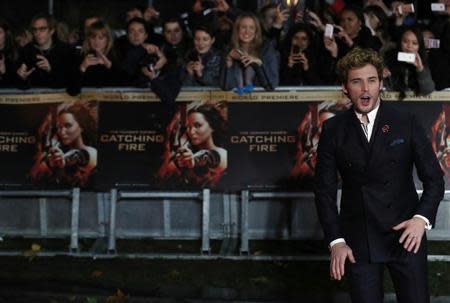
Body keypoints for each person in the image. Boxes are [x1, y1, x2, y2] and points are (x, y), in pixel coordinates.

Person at [314, 47, 444, 303]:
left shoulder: (405, 120)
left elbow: (434, 179)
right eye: (357, 81)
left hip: (407, 236)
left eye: (371, 80)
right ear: (344, 87)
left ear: (381, 84)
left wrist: (421, 219)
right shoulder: (333, 129)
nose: (365, 89)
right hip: (358, 241)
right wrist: (336, 241)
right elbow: (324, 192)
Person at [157, 102, 227, 188]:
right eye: (188, 127)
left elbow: (211, 156)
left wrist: (193, 160)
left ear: (212, 126)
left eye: (198, 125)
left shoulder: (221, 154)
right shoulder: (184, 154)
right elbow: (163, 175)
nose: (191, 131)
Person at [29, 103, 97, 187]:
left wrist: (61, 160)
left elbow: (78, 156)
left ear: (81, 126)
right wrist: (50, 164)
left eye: (68, 125)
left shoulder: (91, 152)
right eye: (59, 127)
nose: (61, 132)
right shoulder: (56, 151)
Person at [220, 13, 279, 92]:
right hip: (235, 102)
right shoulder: (228, 49)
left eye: (251, 28)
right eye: (243, 27)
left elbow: (271, 86)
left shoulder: (266, 49)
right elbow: (225, 87)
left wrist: (259, 64)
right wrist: (229, 63)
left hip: (260, 102)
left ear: (256, 31)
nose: (247, 32)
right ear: (237, 30)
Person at [15, 13, 76, 90]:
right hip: (34, 99)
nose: (37, 33)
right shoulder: (26, 51)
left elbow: (71, 84)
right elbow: (19, 87)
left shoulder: (65, 50)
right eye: (35, 30)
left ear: (52, 31)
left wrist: (50, 70)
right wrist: (22, 77)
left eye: (42, 29)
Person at [383, 26, 435, 99]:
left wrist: (420, 69)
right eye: (405, 41)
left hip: (413, 106)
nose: (409, 46)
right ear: (400, 42)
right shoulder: (389, 59)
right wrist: (382, 77)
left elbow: (428, 90)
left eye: (414, 43)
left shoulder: (423, 61)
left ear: (419, 46)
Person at [77, 20, 121, 88]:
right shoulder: (81, 56)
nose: (96, 41)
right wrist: (82, 68)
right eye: (93, 37)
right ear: (88, 39)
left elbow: (123, 85)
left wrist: (110, 66)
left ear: (107, 39)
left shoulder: (116, 57)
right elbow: (72, 91)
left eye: (101, 38)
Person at [0, 19, 18, 87]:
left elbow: (17, 84)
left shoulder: (15, 53)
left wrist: (4, 72)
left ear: (6, 34)